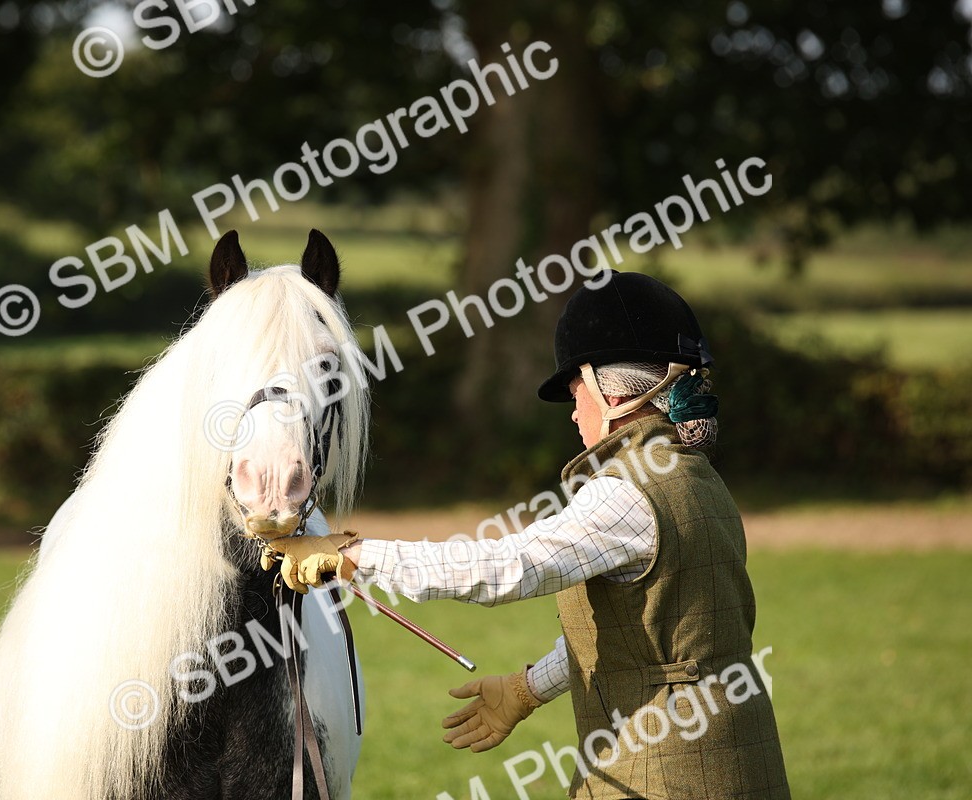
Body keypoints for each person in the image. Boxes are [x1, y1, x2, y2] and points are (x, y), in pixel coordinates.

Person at [266, 270, 790, 800]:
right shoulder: (697, 477)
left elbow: (507, 567)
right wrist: (528, 688)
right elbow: (645, 640)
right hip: (744, 768)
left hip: (663, 780)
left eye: (575, 390)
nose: (574, 411)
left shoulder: (626, 492)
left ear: (613, 390)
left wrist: (354, 555)